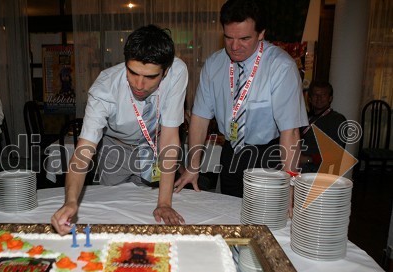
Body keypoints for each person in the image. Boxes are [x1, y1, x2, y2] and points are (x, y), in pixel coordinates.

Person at [51, 25, 188, 235]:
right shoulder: (104, 88)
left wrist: (164, 202)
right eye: (133, 73)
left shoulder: (177, 71)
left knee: (148, 218)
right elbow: (83, 151)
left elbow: (169, 137)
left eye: (150, 77)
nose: (139, 84)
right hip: (116, 149)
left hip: (155, 146)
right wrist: (70, 202)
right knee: (111, 210)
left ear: (166, 70)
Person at [174, 0, 308, 203]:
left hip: (268, 156)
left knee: (266, 222)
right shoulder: (214, 65)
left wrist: (291, 183)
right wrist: (193, 166)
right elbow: (200, 118)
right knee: (230, 216)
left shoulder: (280, 67)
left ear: (261, 33)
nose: (234, 46)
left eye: (244, 38)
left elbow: (290, 131)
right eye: (228, 38)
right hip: (231, 152)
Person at [299, 81, 347, 173]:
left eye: (323, 95)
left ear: (330, 98)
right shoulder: (305, 118)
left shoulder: (337, 120)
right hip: (298, 166)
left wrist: (307, 159)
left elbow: (336, 154)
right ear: (309, 98)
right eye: (315, 95)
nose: (319, 98)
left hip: (319, 170)